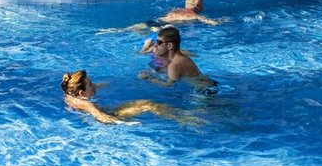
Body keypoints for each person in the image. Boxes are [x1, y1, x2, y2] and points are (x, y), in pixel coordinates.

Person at [61, 69, 198, 125]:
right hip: (109, 118)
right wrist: (126, 124)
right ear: (82, 93)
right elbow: (100, 117)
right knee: (148, 105)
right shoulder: (87, 104)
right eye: (91, 85)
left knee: (146, 103)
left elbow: (94, 87)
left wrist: (117, 82)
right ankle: (185, 119)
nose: (95, 86)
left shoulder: (71, 91)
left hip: (105, 112)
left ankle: (181, 116)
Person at [141, 25, 217, 92]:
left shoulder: (174, 65)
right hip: (209, 85)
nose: (155, 45)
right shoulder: (180, 57)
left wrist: (149, 78)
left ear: (170, 46)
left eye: (159, 42)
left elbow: (168, 85)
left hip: (203, 92)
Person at [159, 0, 225, 25]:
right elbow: (212, 22)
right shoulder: (195, 15)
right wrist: (221, 21)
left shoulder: (176, 9)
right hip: (171, 23)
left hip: (161, 20)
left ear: (186, 3)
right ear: (198, 6)